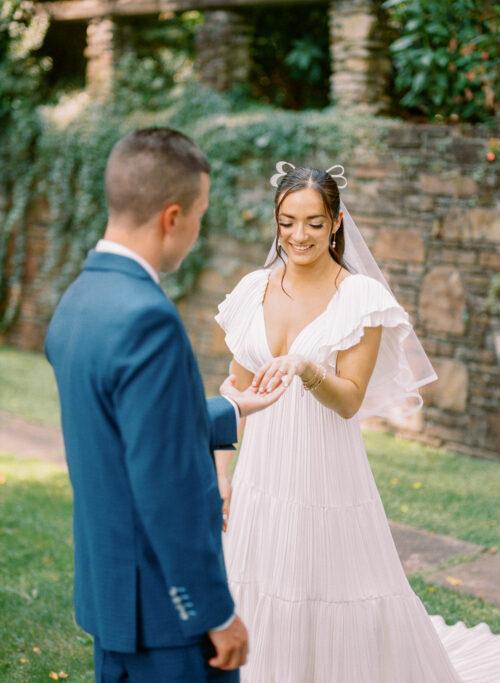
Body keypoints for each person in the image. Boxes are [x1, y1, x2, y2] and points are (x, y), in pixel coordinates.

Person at [214, 163, 500, 682]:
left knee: (328, 587)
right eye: (287, 222)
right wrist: (222, 471)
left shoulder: (359, 299)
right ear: (276, 223)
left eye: (314, 223)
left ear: (337, 222)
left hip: (325, 468)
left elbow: (348, 401)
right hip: (261, 470)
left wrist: (306, 367)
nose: (298, 236)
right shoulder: (251, 289)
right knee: (259, 577)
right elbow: (235, 389)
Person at [44, 127, 287, 683]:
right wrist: (215, 613)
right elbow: (168, 486)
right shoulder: (147, 317)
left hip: (110, 597)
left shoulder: (79, 299)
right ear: (172, 217)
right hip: (164, 611)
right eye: (200, 216)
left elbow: (127, 429)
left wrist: (232, 407)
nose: (197, 233)